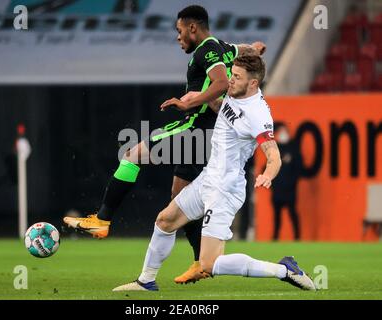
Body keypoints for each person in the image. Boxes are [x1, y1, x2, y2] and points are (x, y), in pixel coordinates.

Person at [64, 5, 266, 284]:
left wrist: (188, 101)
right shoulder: (221, 46)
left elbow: (221, 83)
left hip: (193, 129)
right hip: (208, 136)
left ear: (192, 27)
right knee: (179, 198)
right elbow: (242, 48)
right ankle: (197, 262)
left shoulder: (206, 50)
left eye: (179, 30)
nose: (178, 36)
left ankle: (102, 219)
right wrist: (254, 49)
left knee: (132, 155)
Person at [112, 53, 316, 292]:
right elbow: (226, 111)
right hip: (209, 178)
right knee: (165, 221)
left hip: (225, 189)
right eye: (232, 74)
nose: (230, 80)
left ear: (253, 83)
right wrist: (199, 99)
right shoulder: (235, 93)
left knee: (208, 264)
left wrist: (267, 175)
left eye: (237, 77)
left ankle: (285, 270)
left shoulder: (258, 114)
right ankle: (146, 281)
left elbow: (274, 156)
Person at [271, 124, 302, 241]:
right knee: (277, 217)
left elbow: (299, 169)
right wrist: (273, 184)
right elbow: (267, 167)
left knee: (293, 214)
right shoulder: (274, 149)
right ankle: (275, 238)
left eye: (284, 131)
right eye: (280, 131)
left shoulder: (294, 149)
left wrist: (291, 184)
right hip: (277, 190)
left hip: (290, 191)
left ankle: (297, 238)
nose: (283, 134)